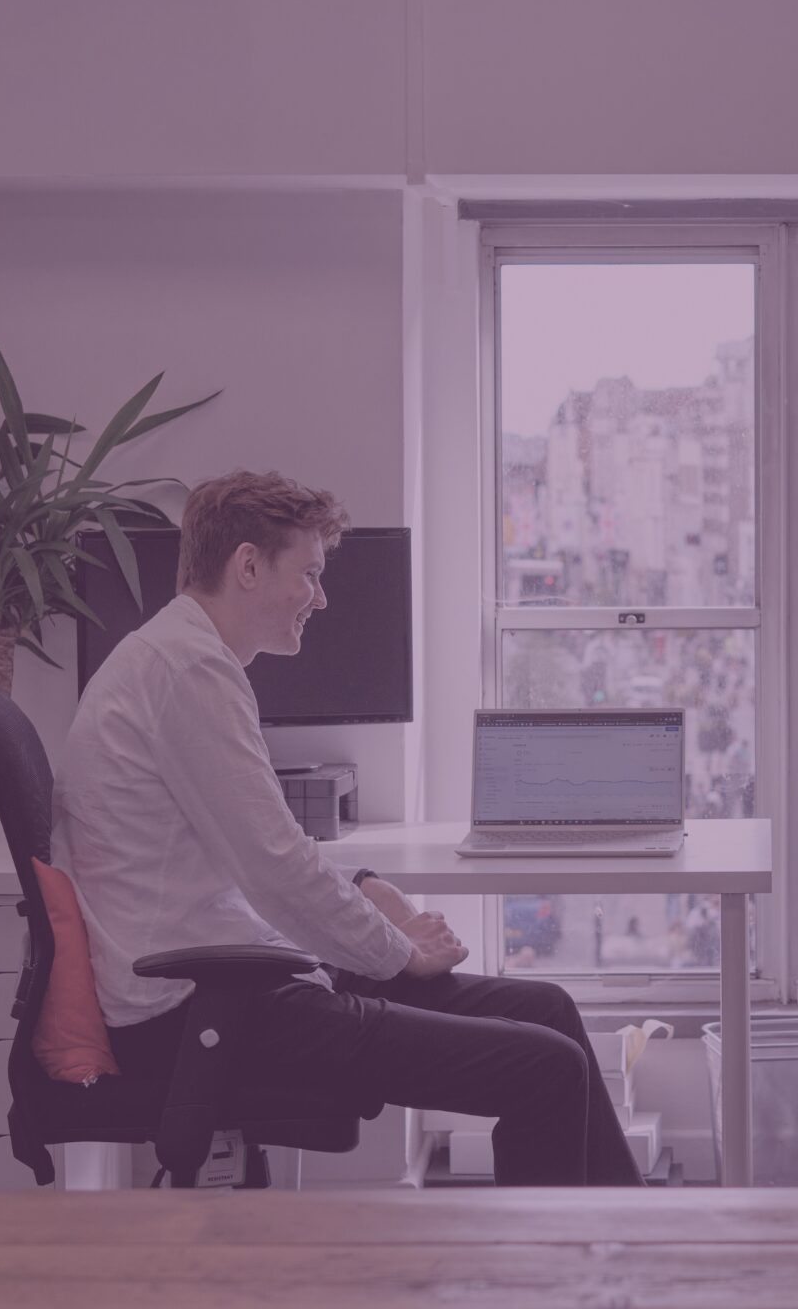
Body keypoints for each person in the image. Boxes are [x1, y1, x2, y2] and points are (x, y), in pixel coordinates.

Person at [53, 469, 640, 1187]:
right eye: (309, 573)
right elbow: (273, 870)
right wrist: (395, 952)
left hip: (236, 979)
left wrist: (366, 891)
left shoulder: (180, 658)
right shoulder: (187, 672)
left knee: (548, 1010)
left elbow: (261, 850)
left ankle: (630, 1264)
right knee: (546, 1069)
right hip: (202, 1010)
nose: (321, 598)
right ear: (246, 566)